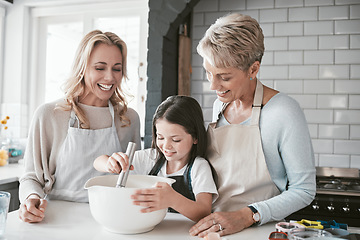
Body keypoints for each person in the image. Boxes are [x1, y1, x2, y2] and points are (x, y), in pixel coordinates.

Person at [189, 13, 316, 237]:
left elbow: (304, 190)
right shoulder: (220, 105)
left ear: (253, 69)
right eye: (208, 72)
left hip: (261, 230)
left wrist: (247, 215)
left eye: (224, 77)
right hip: (215, 229)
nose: (213, 85)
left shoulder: (283, 111)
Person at [18, 30, 141, 223]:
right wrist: (31, 198)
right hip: (56, 221)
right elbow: (32, 177)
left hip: (111, 221)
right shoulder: (50, 115)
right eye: (100, 68)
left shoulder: (129, 119)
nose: (110, 77)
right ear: (82, 68)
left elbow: (134, 178)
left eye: (116, 69)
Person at [94, 95, 218, 222]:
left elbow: (204, 211)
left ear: (195, 137)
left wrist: (173, 199)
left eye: (176, 139)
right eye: (160, 137)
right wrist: (109, 162)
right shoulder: (150, 158)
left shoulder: (199, 167)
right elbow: (97, 162)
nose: (166, 146)